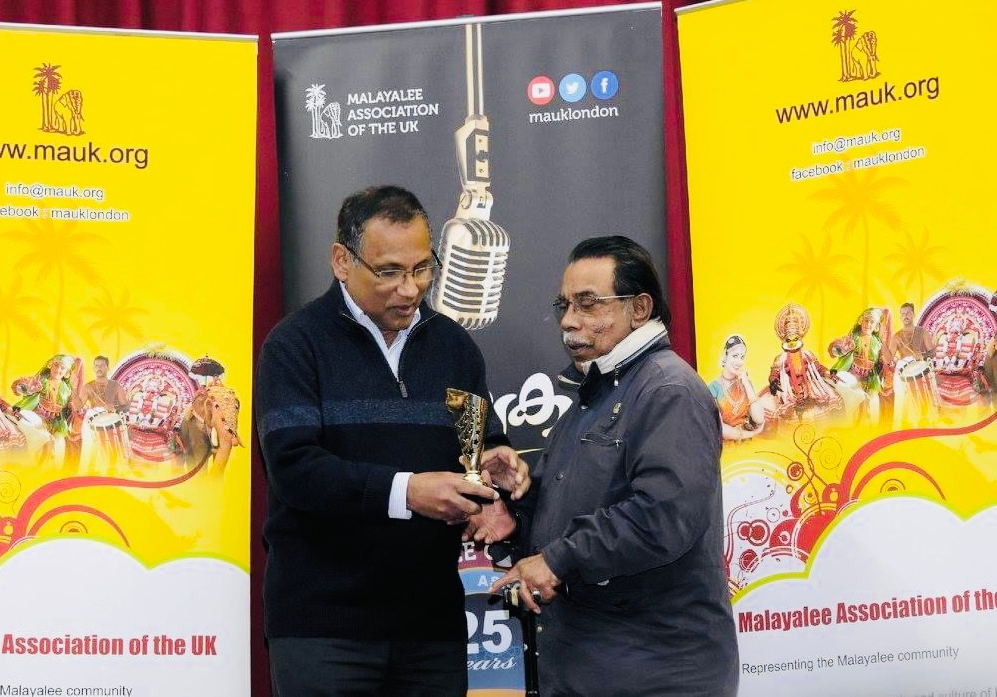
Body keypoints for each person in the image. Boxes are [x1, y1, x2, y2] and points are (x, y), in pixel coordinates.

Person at [255, 185, 529, 696]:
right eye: (389, 272)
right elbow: (294, 470)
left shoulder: (454, 347)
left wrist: (494, 462)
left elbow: (476, 444)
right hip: (323, 629)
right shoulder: (294, 345)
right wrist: (407, 491)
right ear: (342, 261)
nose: (410, 288)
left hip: (431, 626)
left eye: (423, 268)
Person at [488, 236, 737, 696]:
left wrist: (557, 560)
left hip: (655, 672)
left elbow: (663, 518)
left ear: (639, 309)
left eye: (588, 304)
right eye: (564, 305)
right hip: (593, 665)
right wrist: (512, 515)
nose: (569, 321)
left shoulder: (668, 391)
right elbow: (568, 515)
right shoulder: (594, 397)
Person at [709, 334, 766, 441]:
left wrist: (746, 383)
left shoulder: (745, 383)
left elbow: (759, 419)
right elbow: (721, 429)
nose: (739, 362)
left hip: (750, 441)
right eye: (735, 356)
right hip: (727, 444)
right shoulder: (714, 388)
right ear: (725, 356)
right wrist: (753, 433)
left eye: (742, 357)